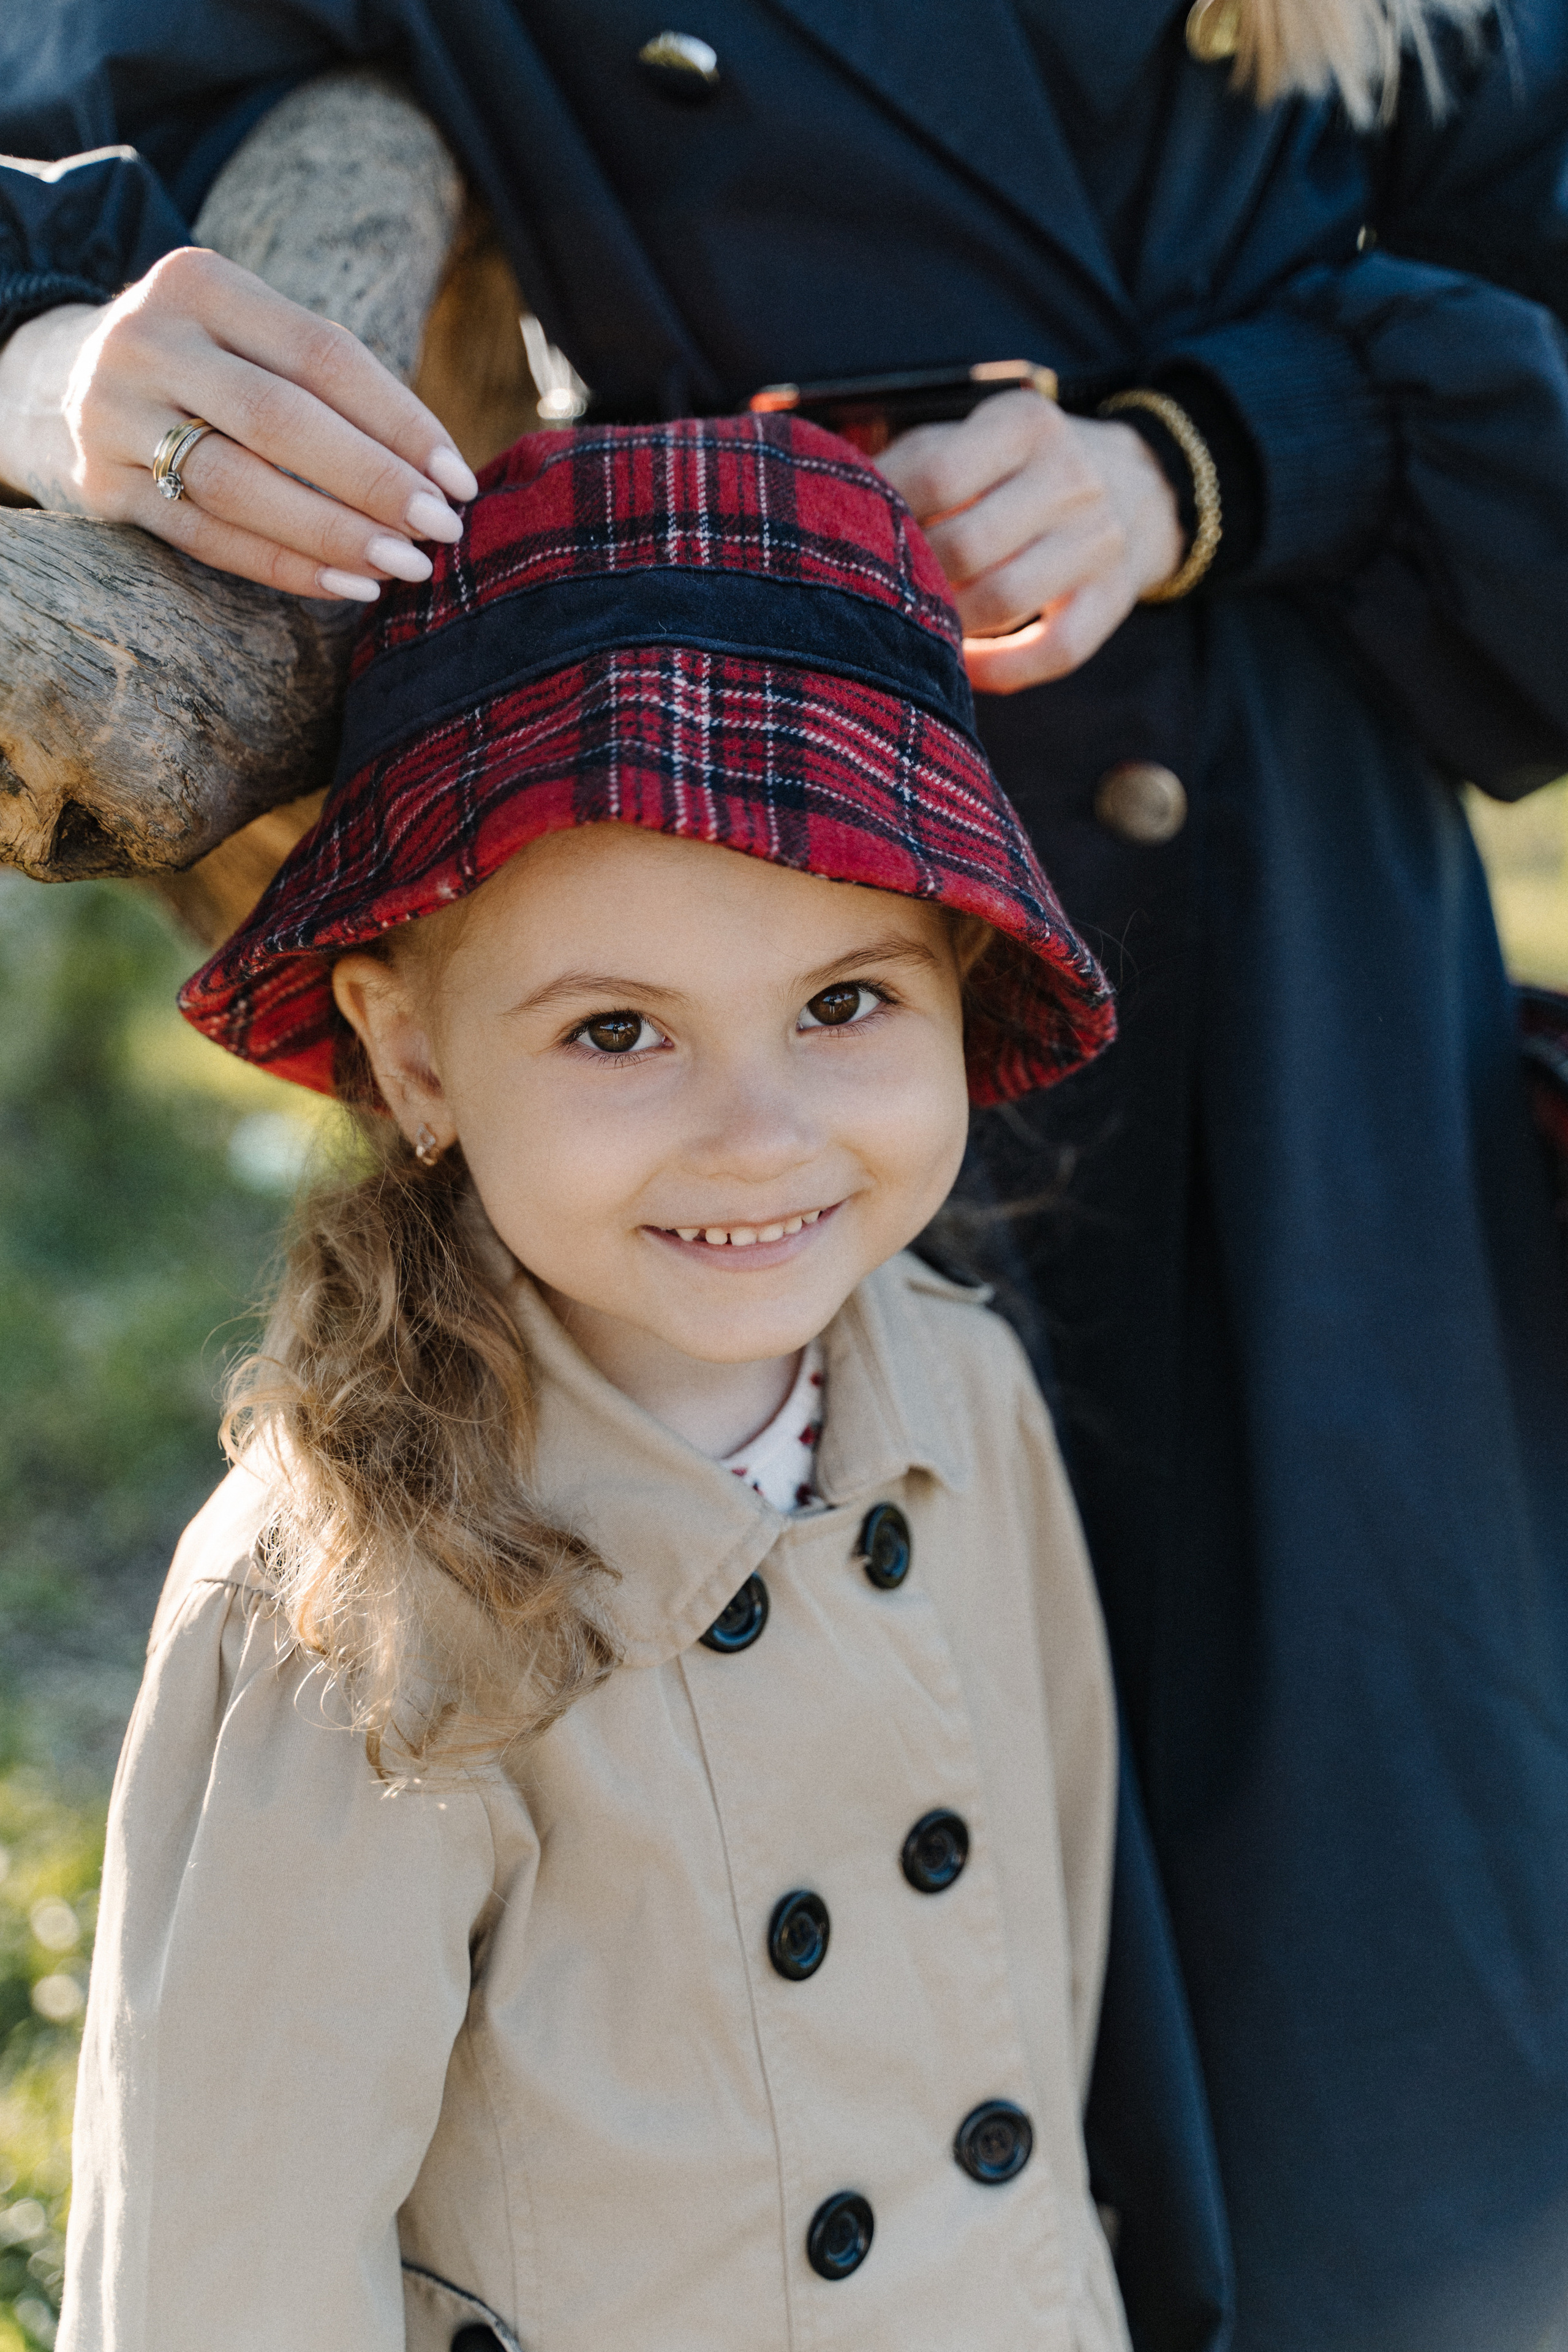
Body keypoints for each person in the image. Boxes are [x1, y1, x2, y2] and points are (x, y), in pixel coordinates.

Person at [6, 7, 1568, 2346]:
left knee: (1388, 2033)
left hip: (1287, 980)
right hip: (695, 806)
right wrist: (37, 362)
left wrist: (1220, 451)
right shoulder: (350, 1605)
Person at [59, 413, 1129, 2352]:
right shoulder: (363, 1593)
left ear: (962, 985)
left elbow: (1035, 1987)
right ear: (415, 1059)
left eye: (845, 1001)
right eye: (620, 1029)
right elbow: (233, 2257)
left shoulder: (965, 1405)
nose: (758, 1132)